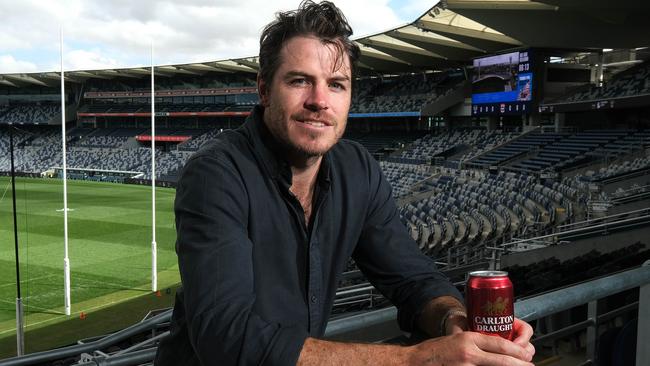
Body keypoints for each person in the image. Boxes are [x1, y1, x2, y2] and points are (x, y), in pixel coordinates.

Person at [155, 1, 535, 365]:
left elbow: (413, 278)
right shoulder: (216, 174)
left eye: (336, 84)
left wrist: (450, 319)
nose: (319, 100)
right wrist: (417, 358)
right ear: (265, 89)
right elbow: (227, 338)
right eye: (300, 80)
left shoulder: (357, 168)